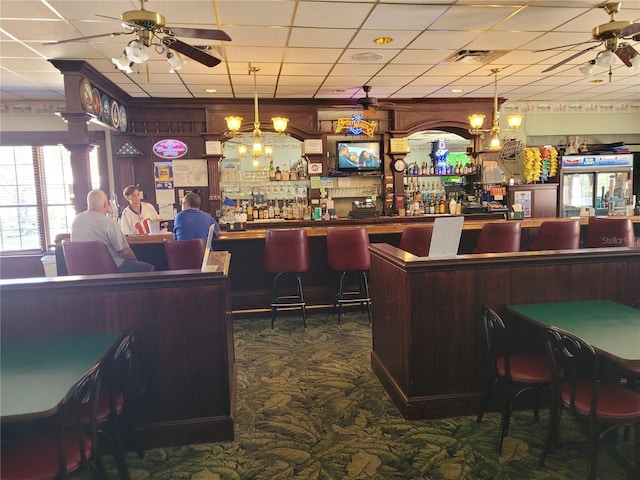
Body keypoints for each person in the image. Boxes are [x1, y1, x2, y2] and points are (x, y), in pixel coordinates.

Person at [71, 189, 155, 272]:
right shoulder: (109, 223)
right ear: (105, 204)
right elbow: (125, 252)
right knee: (149, 268)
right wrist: (136, 260)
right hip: (110, 267)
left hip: (83, 268)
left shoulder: (76, 220)